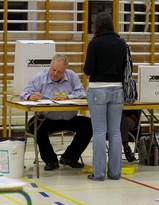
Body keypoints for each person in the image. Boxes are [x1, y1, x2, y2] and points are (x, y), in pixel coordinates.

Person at [19, 54, 93, 171]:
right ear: (50, 66)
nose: (54, 73)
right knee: (35, 125)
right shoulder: (39, 77)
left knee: (89, 125)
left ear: (65, 70)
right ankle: (50, 160)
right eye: (53, 70)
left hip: (69, 119)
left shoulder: (72, 76)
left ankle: (69, 157)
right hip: (47, 118)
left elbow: (82, 93)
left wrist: (68, 96)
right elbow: (23, 93)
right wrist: (30, 97)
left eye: (59, 72)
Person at [83, 12, 127, 181]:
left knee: (100, 132)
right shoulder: (121, 43)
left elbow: (88, 70)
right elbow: (124, 68)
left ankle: (99, 173)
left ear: (97, 26)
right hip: (117, 89)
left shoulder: (95, 43)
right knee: (115, 132)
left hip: (98, 89)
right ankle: (115, 173)